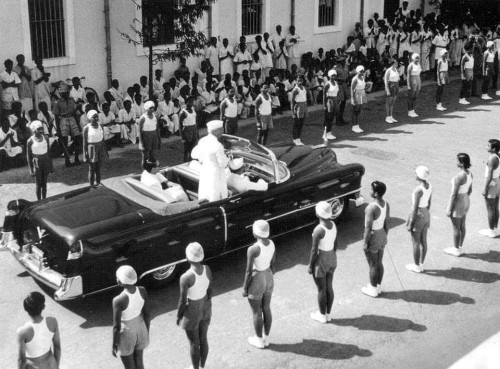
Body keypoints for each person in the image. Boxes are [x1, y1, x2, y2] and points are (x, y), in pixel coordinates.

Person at [177, 242, 213, 369]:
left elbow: (182, 301)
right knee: (203, 339)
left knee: (193, 343)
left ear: (187, 258)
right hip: (205, 306)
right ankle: (202, 366)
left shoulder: (186, 277)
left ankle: (195, 367)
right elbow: (209, 290)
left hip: (192, 310)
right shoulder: (207, 269)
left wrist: (178, 316)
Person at [242, 220, 275, 349]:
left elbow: (249, 271)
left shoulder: (253, 249)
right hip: (268, 275)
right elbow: (273, 263)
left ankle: (258, 340)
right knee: (266, 307)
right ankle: (266, 338)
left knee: (256, 312)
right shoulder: (272, 243)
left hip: (258, 278)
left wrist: (245, 288)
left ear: (255, 233)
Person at [112, 265, 150, 369]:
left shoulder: (118, 300)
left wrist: (114, 344)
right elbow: (147, 314)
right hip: (141, 327)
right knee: (139, 361)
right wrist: (146, 331)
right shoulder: (142, 290)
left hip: (127, 333)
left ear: (121, 281)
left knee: (129, 366)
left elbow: (116, 327)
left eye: (118, 277)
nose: (116, 279)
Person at [308, 201, 337, 322]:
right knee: (329, 286)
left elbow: (314, 250)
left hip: (321, 259)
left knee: (321, 289)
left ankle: (321, 315)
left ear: (318, 214)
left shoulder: (318, 230)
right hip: (332, 256)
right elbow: (335, 243)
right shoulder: (333, 224)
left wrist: (310, 265)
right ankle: (328, 314)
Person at [16, 292, 61, 369]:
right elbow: (57, 347)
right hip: (51, 364)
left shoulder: (23, 332)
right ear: (43, 307)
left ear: (26, 308)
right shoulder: (52, 322)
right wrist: (56, 365)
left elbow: (22, 360)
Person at [362, 181, 389, 297]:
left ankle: (373, 289)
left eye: (371, 190)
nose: (369, 191)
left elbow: (368, 228)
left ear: (376, 193)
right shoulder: (385, 204)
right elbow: (386, 223)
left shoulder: (371, 208)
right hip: (382, 234)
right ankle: (377, 286)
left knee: (373, 264)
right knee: (379, 262)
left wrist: (365, 243)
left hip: (374, 236)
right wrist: (384, 236)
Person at [191, 120, 229, 201]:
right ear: (215, 131)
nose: (223, 131)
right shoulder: (218, 145)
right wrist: (228, 158)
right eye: (221, 129)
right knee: (216, 193)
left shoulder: (202, 140)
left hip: (205, 170)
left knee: (206, 191)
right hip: (216, 173)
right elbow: (223, 164)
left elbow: (194, 154)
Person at [445, 153, 473, 257]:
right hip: (466, 199)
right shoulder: (469, 173)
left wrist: (449, 209)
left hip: (459, 202)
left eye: (457, 161)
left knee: (456, 227)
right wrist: (465, 197)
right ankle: (459, 246)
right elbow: (470, 190)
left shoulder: (459, 177)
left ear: (462, 163)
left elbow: (454, 195)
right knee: (462, 225)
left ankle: (456, 249)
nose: (456, 162)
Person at [406, 166, 432, 273]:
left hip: (418, 214)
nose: (415, 175)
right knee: (423, 241)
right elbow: (429, 202)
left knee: (415, 242)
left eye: (416, 173)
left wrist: (411, 222)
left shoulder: (418, 190)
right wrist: (426, 213)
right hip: (426, 213)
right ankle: (421, 263)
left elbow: (415, 208)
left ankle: (416, 266)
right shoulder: (430, 185)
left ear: (420, 176)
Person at [52, 82, 82, 167]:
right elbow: (56, 116)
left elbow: (75, 112)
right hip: (63, 120)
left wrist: (78, 124)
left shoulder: (71, 100)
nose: (67, 94)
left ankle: (76, 158)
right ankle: (67, 160)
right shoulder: (57, 102)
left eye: (68, 92)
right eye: (65, 93)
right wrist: (58, 129)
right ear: (62, 93)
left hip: (72, 119)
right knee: (64, 140)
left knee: (77, 138)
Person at [27, 121, 53, 200]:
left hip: (45, 161)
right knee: (38, 183)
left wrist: (51, 165)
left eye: (42, 128)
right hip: (37, 162)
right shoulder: (30, 141)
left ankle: (44, 199)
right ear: (34, 130)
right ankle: (39, 200)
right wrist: (31, 169)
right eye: (39, 129)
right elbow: (28, 156)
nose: (41, 131)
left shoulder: (46, 138)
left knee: (44, 182)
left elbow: (48, 152)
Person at [479, 139, 500, 238]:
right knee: (495, 206)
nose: (486, 147)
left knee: (490, 208)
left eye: (488, 146)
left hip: (491, 183)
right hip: (497, 182)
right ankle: (495, 228)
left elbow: (490, 176)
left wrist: (485, 188)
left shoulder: (492, 159)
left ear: (493, 148)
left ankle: (491, 231)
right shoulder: (497, 156)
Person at [82, 110, 108, 187]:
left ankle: (98, 183)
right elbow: (84, 143)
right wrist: (84, 155)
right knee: (92, 169)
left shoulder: (101, 126)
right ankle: (91, 185)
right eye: (94, 117)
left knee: (98, 168)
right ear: (90, 118)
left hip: (100, 147)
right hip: (91, 149)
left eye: (97, 116)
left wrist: (105, 151)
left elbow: (103, 139)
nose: (96, 118)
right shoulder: (86, 128)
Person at [138, 101, 161, 167]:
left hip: (154, 137)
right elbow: (139, 131)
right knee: (145, 157)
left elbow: (157, 129)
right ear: (146, 109)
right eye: (150, 108)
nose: (152, 109)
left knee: (153, 156)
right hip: (146, 138)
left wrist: (159, 140)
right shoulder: (143, 118)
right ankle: (144, 171)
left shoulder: (155, 117)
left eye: (153, 108)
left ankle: (151, 170)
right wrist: (141, 143)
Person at [179, 96, 198, 162]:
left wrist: (196, 132)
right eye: (189, 102)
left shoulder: (193, 109)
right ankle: (185, 162)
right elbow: (180, 125)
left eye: (192, 102)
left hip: (193, 130)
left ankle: (191, 161)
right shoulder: (183, 112)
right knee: (187, 149)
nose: (191, 103)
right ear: (186, 103)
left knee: (193, 148)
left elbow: (195, 121)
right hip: (187, 131)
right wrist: (182, 137)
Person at [323, 69, 339, 140]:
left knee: (332, 117)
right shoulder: (327, 84)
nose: (334, 77)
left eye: (335, 75)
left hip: (335, 100)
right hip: (329, 100)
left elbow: (337, 92)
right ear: (329, 76)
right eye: (332, 76)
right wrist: (324, 105)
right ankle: (325, 133)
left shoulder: (336, 83)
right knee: (328, 118)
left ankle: (329, 132)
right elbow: (324, 95)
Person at [291, 76, 307, 146]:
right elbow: (292, 101)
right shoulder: (295, 90)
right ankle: (295, 139)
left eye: (301, 80)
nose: (300, 82)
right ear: (296, 81)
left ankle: (298, 138)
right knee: (296, 123)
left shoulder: (303, 88)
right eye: (298, 81)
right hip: (298, 106)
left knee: (301, 123)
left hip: (303, 106)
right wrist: (293, 112)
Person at [351, 65, 367, 133]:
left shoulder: (363, 77)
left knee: (359, 110)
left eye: (363, 71)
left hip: (362, 93)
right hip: (356, 94)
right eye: (361, 71)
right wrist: (353, 99)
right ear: (357, 72)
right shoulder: (355, 79)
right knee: (355, 111)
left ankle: (357, 125)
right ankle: (354, 126)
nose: (362, 72)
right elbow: (352, 89)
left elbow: (363, 86)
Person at [384, 58, 400, 124]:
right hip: (390, 86)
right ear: (392, 64)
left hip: (396, 86)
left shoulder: (396, 69)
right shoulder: (388, 70)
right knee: (389, 102)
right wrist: (387, 90)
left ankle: (391, 116)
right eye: (395, 63)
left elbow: (397, 78)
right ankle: (387, 117)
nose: (397, 64)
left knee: (393, 102)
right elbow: (385, 80)